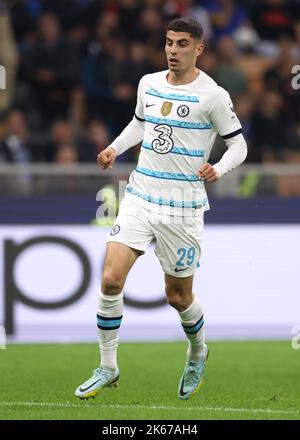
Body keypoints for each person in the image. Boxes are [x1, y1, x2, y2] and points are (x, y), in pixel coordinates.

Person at [75, 17, 247, 401]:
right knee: (110, 280)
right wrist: (114, 149)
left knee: (178, 297)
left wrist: (217, 168)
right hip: (139, 195)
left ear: (199, 49)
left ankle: (198, 352)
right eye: (169, 42)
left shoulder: (213, 96)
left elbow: (239, 145)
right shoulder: (148, 83)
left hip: (182, 207)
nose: (173, 50)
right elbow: (139, 123)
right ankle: (108, 366)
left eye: (182, 44)